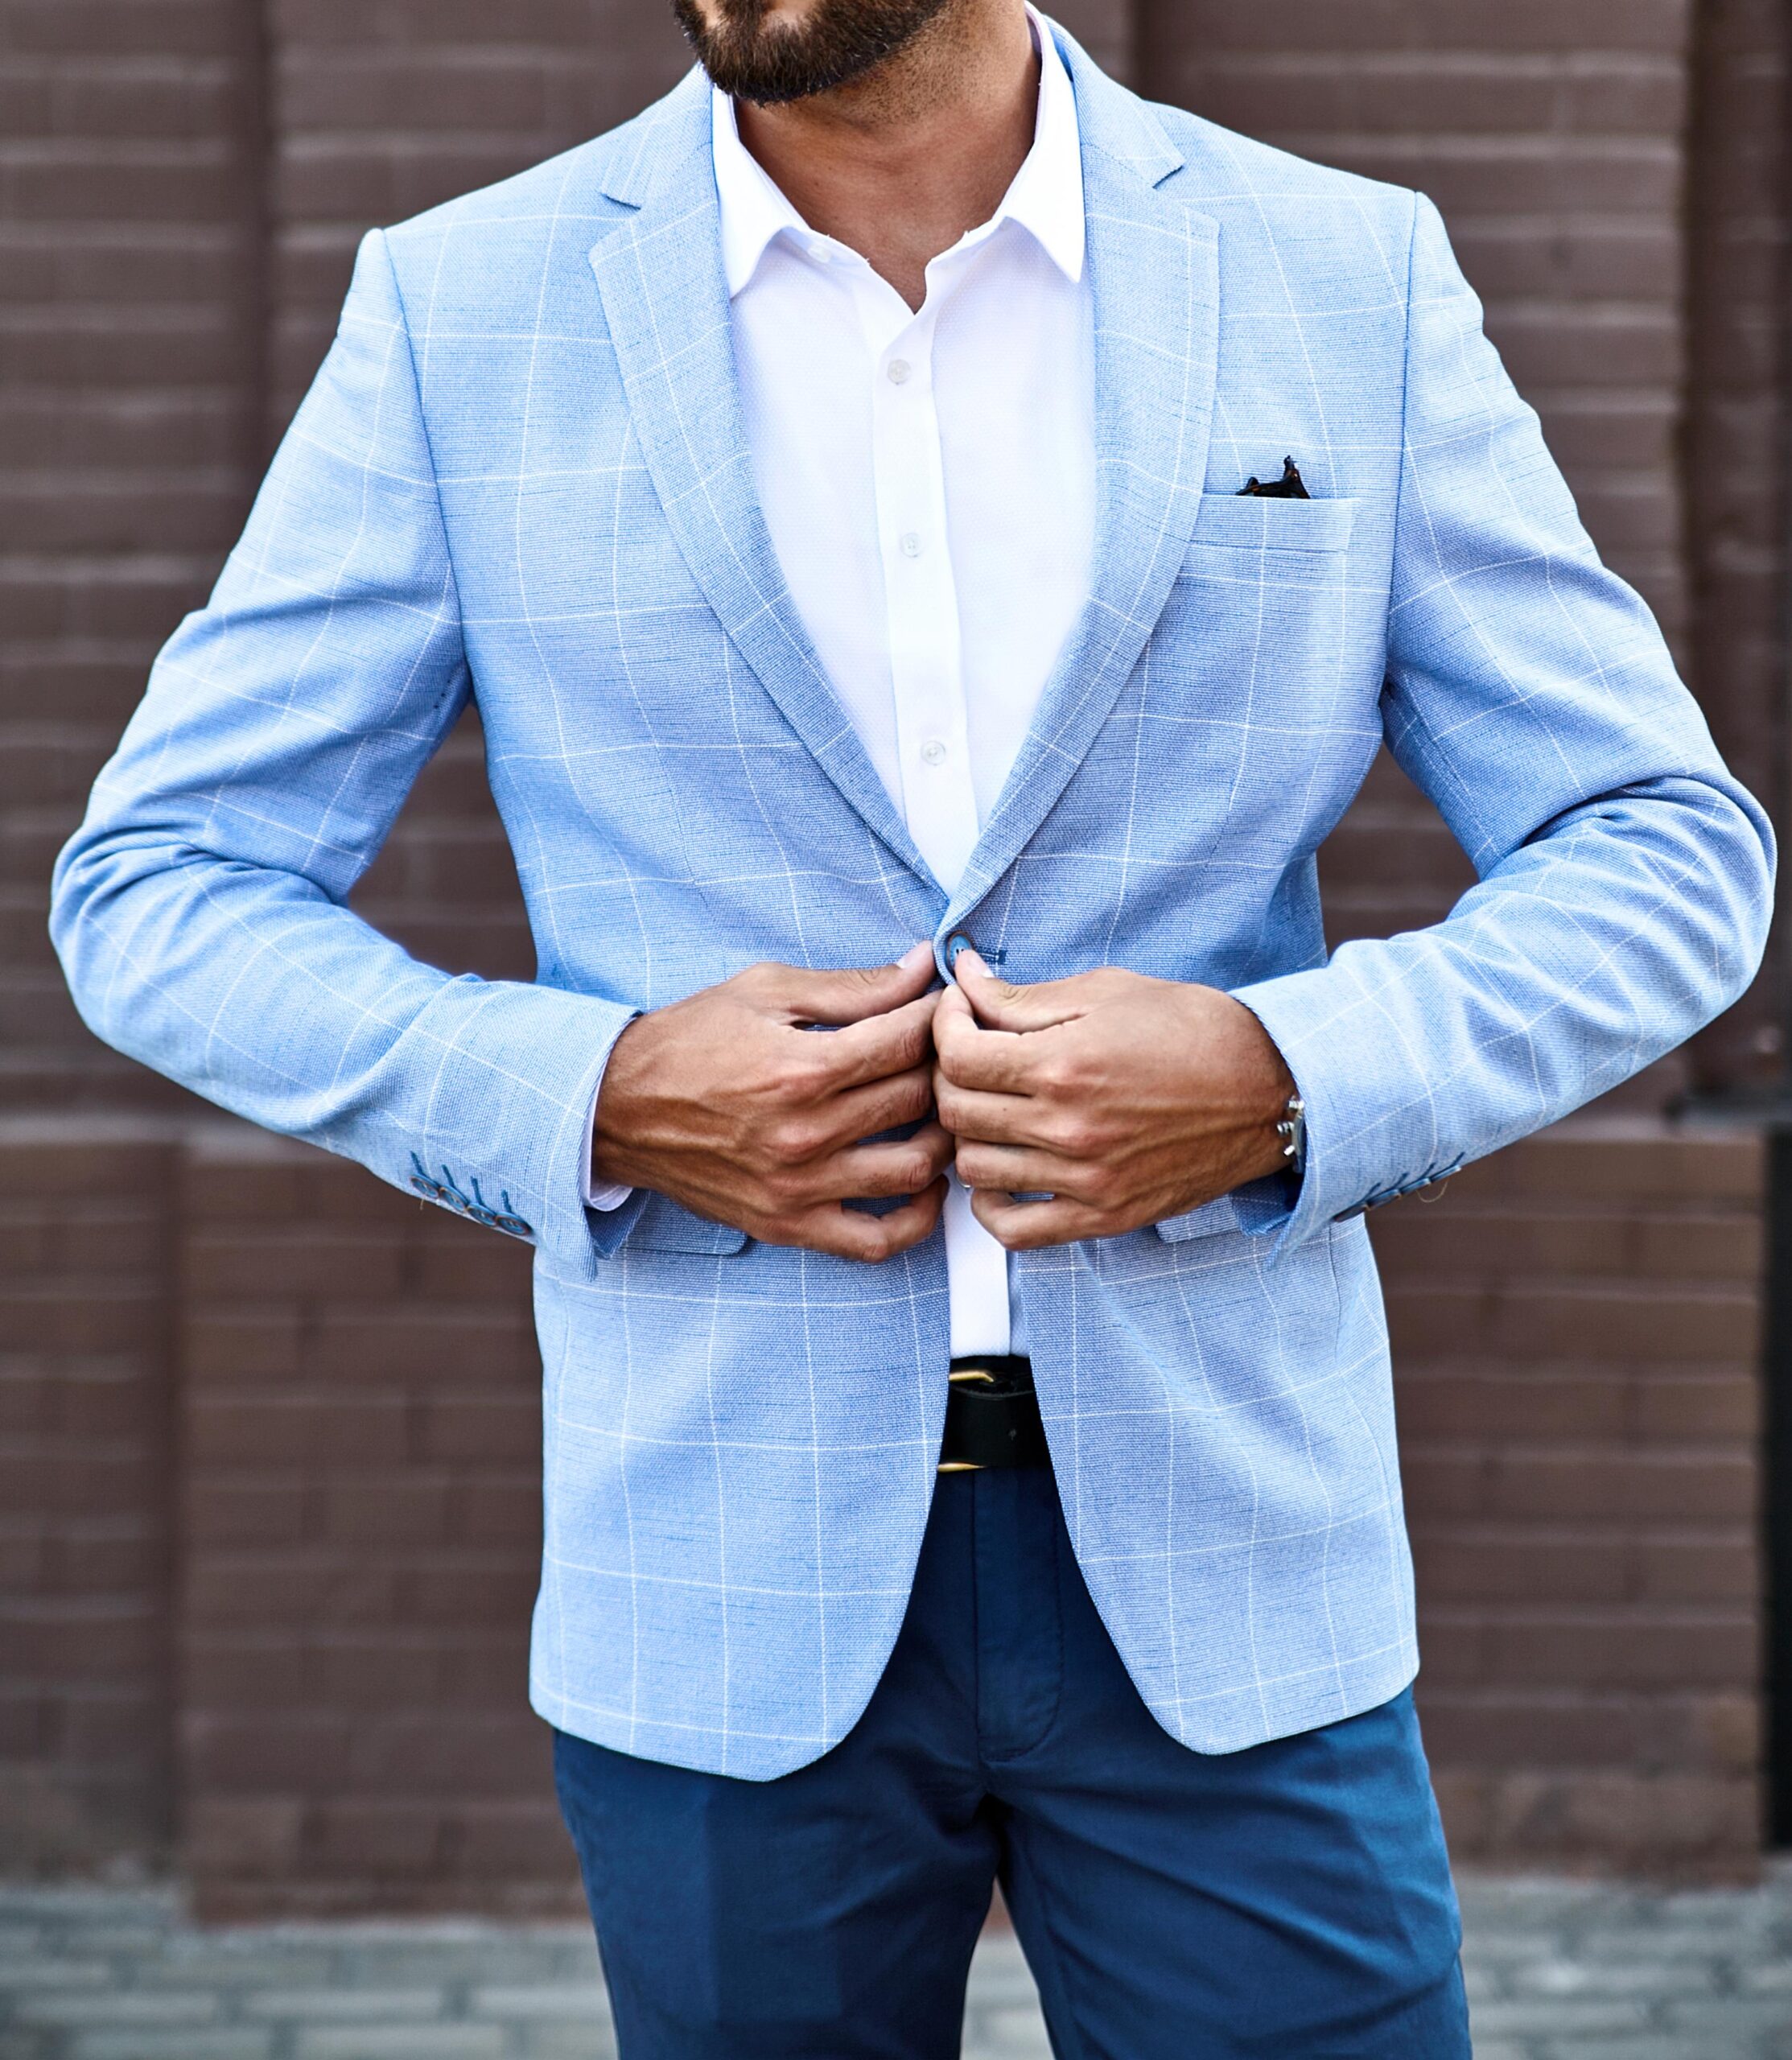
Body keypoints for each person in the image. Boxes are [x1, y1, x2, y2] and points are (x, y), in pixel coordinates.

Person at [51, 0, 1773, 2048]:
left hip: (1230, 1554)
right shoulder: (463, 310)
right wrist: (592, 1094)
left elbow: (1662, 849)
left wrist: (1282, 1079)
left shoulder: (1343, 274)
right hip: (720, 1565)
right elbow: (159, 885)